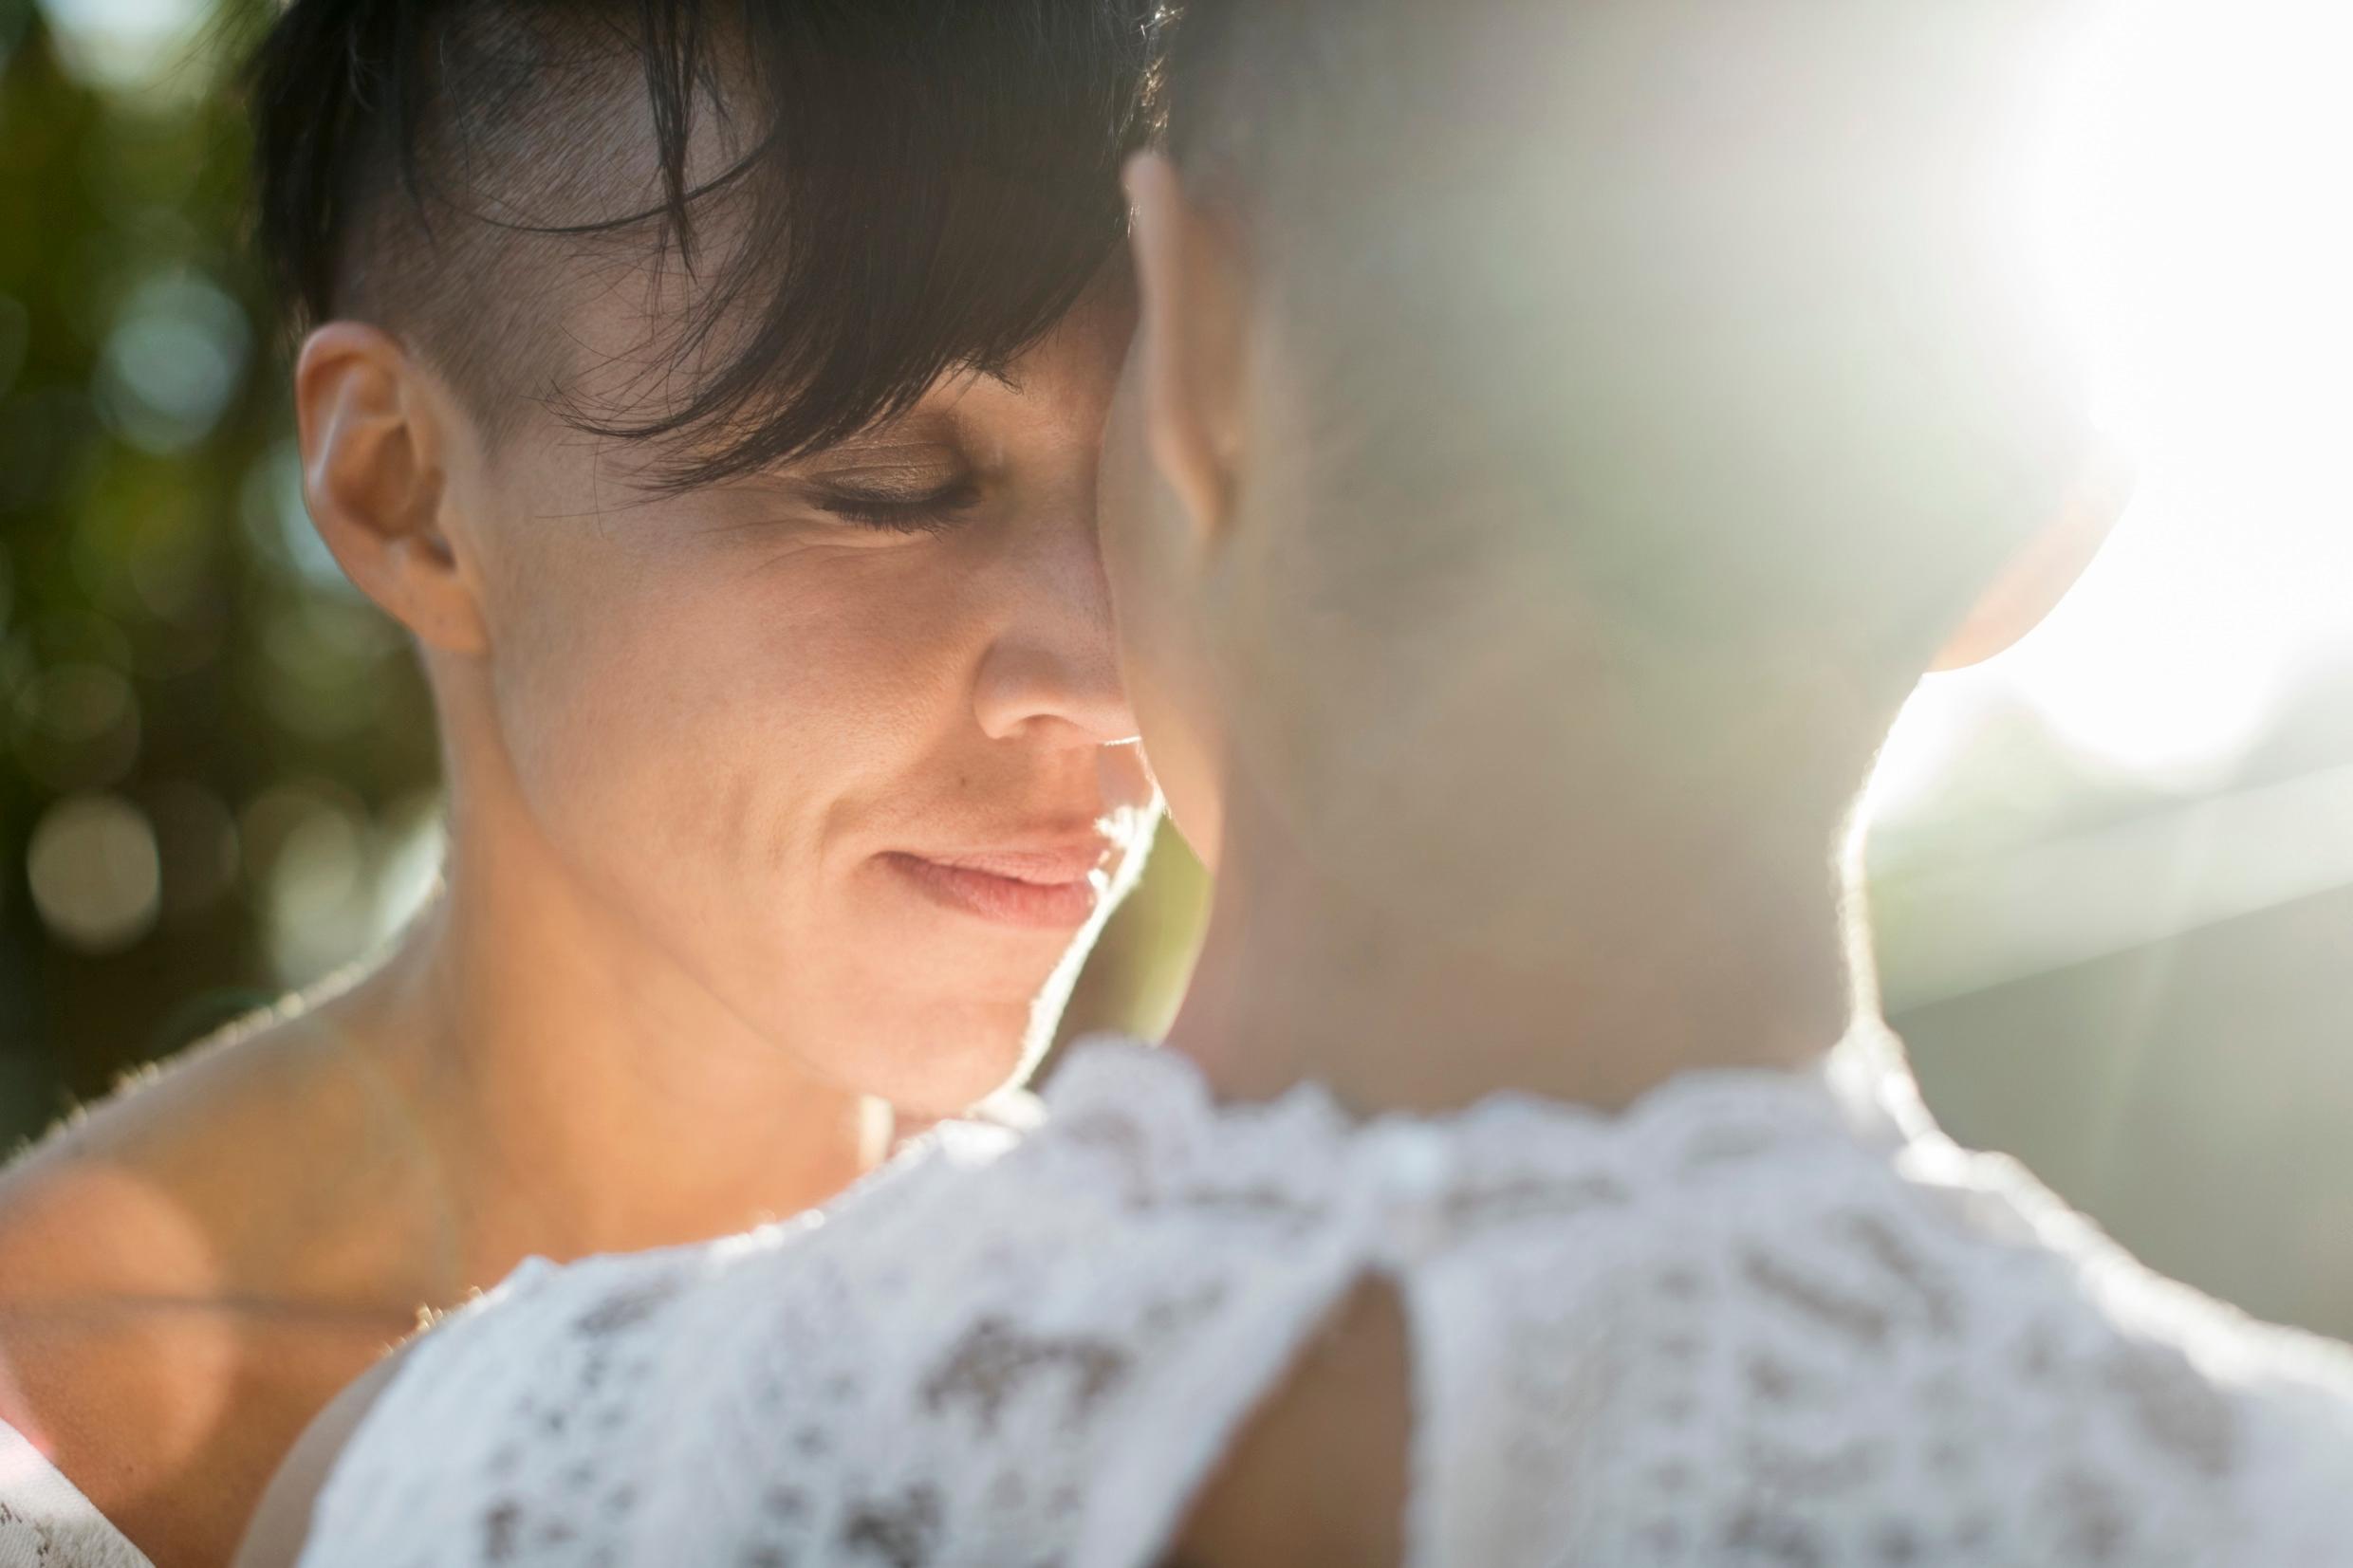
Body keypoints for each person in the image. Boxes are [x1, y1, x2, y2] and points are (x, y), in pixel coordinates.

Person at [251, 0, 2353, 1564]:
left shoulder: (468, 1477)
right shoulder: (2266, 1500)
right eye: (894, 481)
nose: (1070, 662)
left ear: (1200, 328)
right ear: (2044, 522)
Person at [0, 3, 1163, 1564]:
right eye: (893, 486)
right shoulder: (50, 1450)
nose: (1111, 682)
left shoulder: (1259, 1351)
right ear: (405, 489)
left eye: (1169, 495)